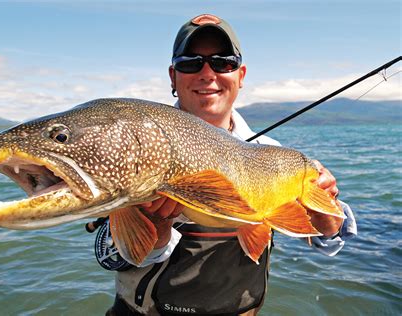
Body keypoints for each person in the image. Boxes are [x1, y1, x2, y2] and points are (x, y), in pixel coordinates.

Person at [105, 14, 357, 315]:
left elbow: (330, 243)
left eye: (223, 62)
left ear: (241, 75)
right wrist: (156, 228)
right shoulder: (140, 147)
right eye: (191, 62)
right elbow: (119, 256)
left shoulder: (273, 155)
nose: (207, 73)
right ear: (173, 77)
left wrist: (326, 213)